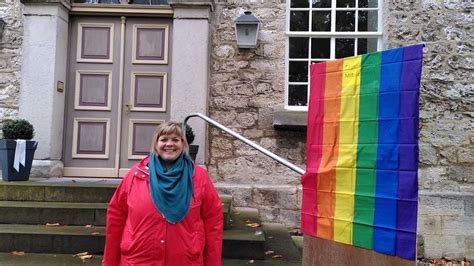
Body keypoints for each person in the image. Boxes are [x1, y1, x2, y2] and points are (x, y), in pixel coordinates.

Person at [103, 121, 223, 266]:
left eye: (175, 140)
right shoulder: (135, 175)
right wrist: (110, 262)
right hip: (138, 260)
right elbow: (116, 218)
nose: (169, 144)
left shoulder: (199, 176)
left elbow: (213, 223)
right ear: (156, 144)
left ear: (183, 144)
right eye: (164, 139)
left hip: (185, 260)